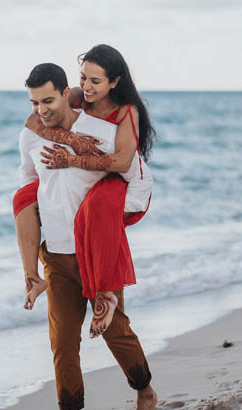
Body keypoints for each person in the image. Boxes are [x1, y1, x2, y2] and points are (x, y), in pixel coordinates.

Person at [14, 61, 156, 410]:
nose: (41, 109)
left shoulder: (101, 132)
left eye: (48, 100)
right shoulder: (29, 137)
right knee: (62, 341)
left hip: (95, 252)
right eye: (34, 102)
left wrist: (109, 220)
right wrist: (31, 262)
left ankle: (145, 393)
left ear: (66, 93)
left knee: (116, 331)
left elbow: (135, 177)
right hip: (56, 257)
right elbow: (28, 185)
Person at [19, 44, 154, 339]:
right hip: (93, 170)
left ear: (115, 82)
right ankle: (31, 276)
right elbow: (33, 122)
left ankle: (105, 293)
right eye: (83, 78)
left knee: (92, 211)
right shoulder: (77, 96)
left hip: (123, 180)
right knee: (23, 198)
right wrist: (73, 140)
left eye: (95, 81)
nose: (86, 87)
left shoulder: (126, 112)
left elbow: (122, 162)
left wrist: (71, 159)